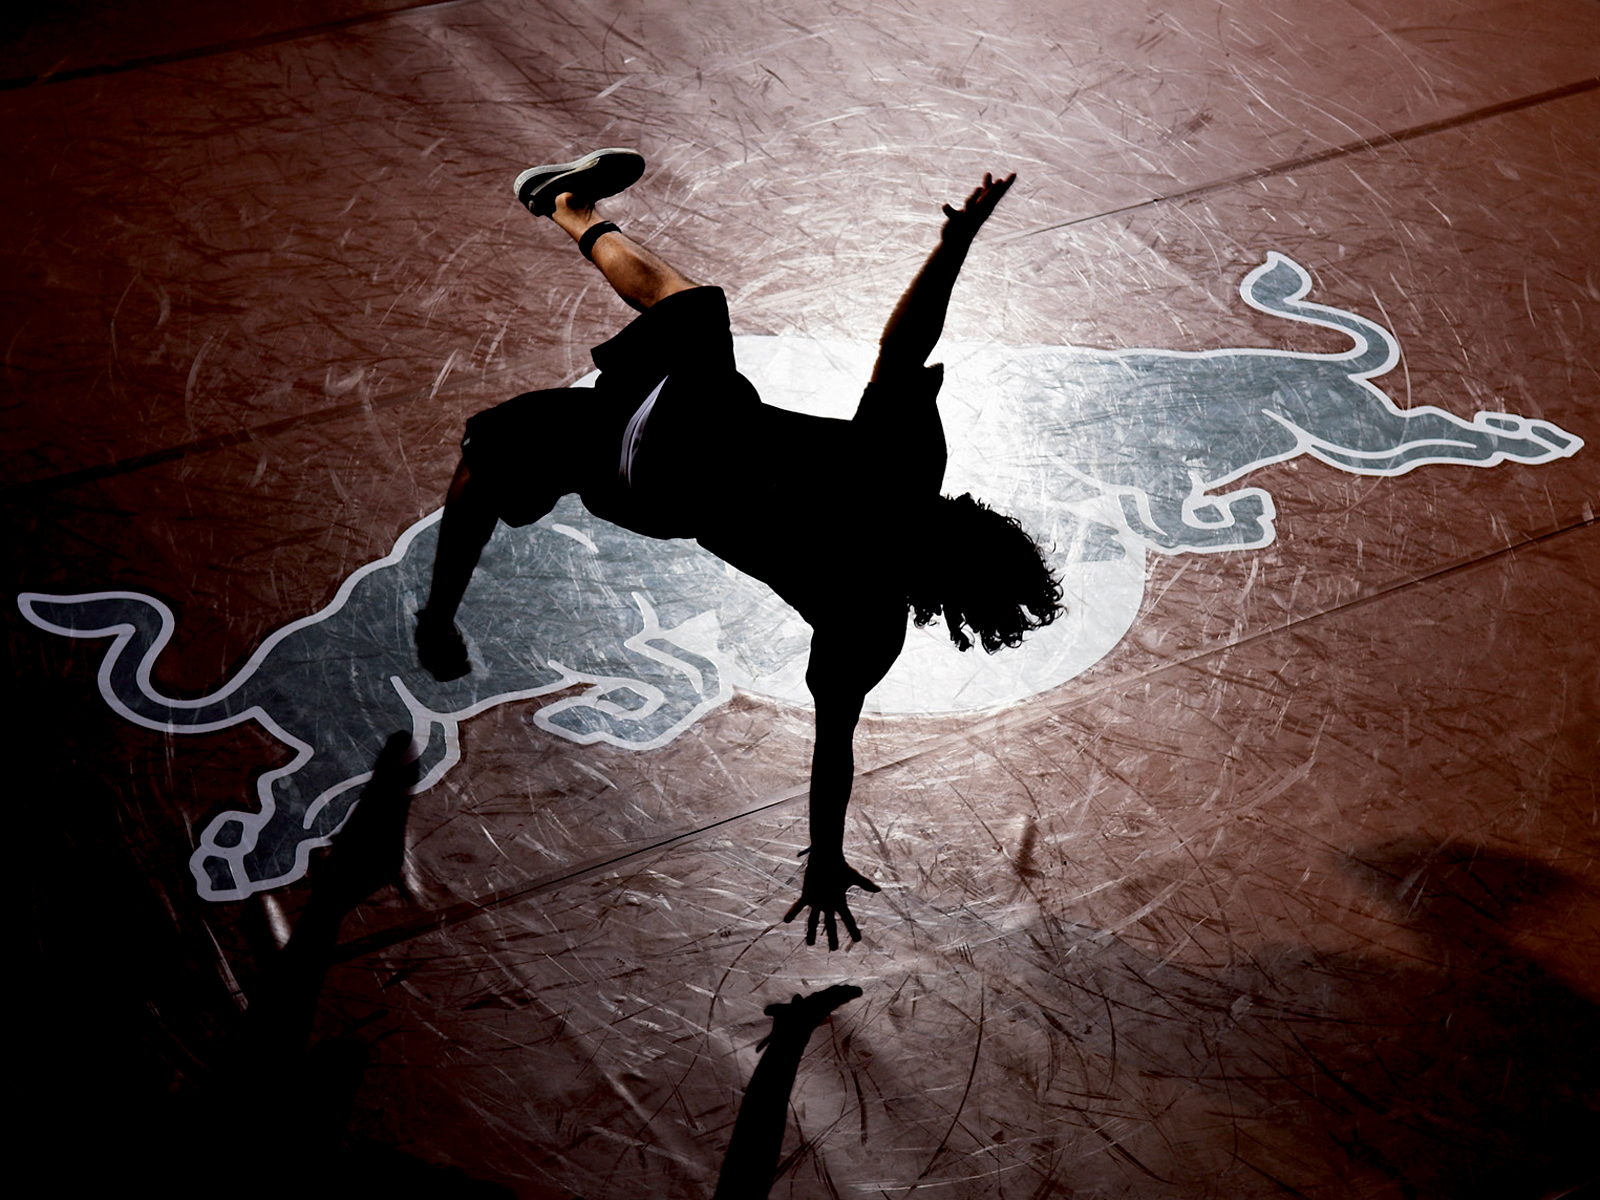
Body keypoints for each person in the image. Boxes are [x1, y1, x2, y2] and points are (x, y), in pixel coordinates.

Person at [416, 149, 1062, 949]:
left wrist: (954, 246)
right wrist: (825, 856)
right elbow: (833, 749)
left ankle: (567, 211)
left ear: (970, 527)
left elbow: (904, 343)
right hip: (666, 473)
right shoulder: (869, 623)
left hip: (670, 453)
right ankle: (566, 203)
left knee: (650, 342)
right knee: (543, 424)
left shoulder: (907, 471)